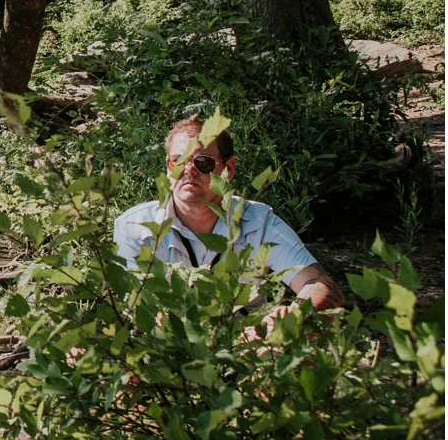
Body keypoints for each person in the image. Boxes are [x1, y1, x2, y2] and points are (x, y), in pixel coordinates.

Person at [113, 115, 344, 309]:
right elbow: (136, 308)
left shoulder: (259, 224)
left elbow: (322, 287)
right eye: (179, 161)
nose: (190, 171)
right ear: (168, 167)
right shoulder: (134, 228)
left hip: (249, 347)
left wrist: (291, 320)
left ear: (229, 168)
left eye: (203, 162)